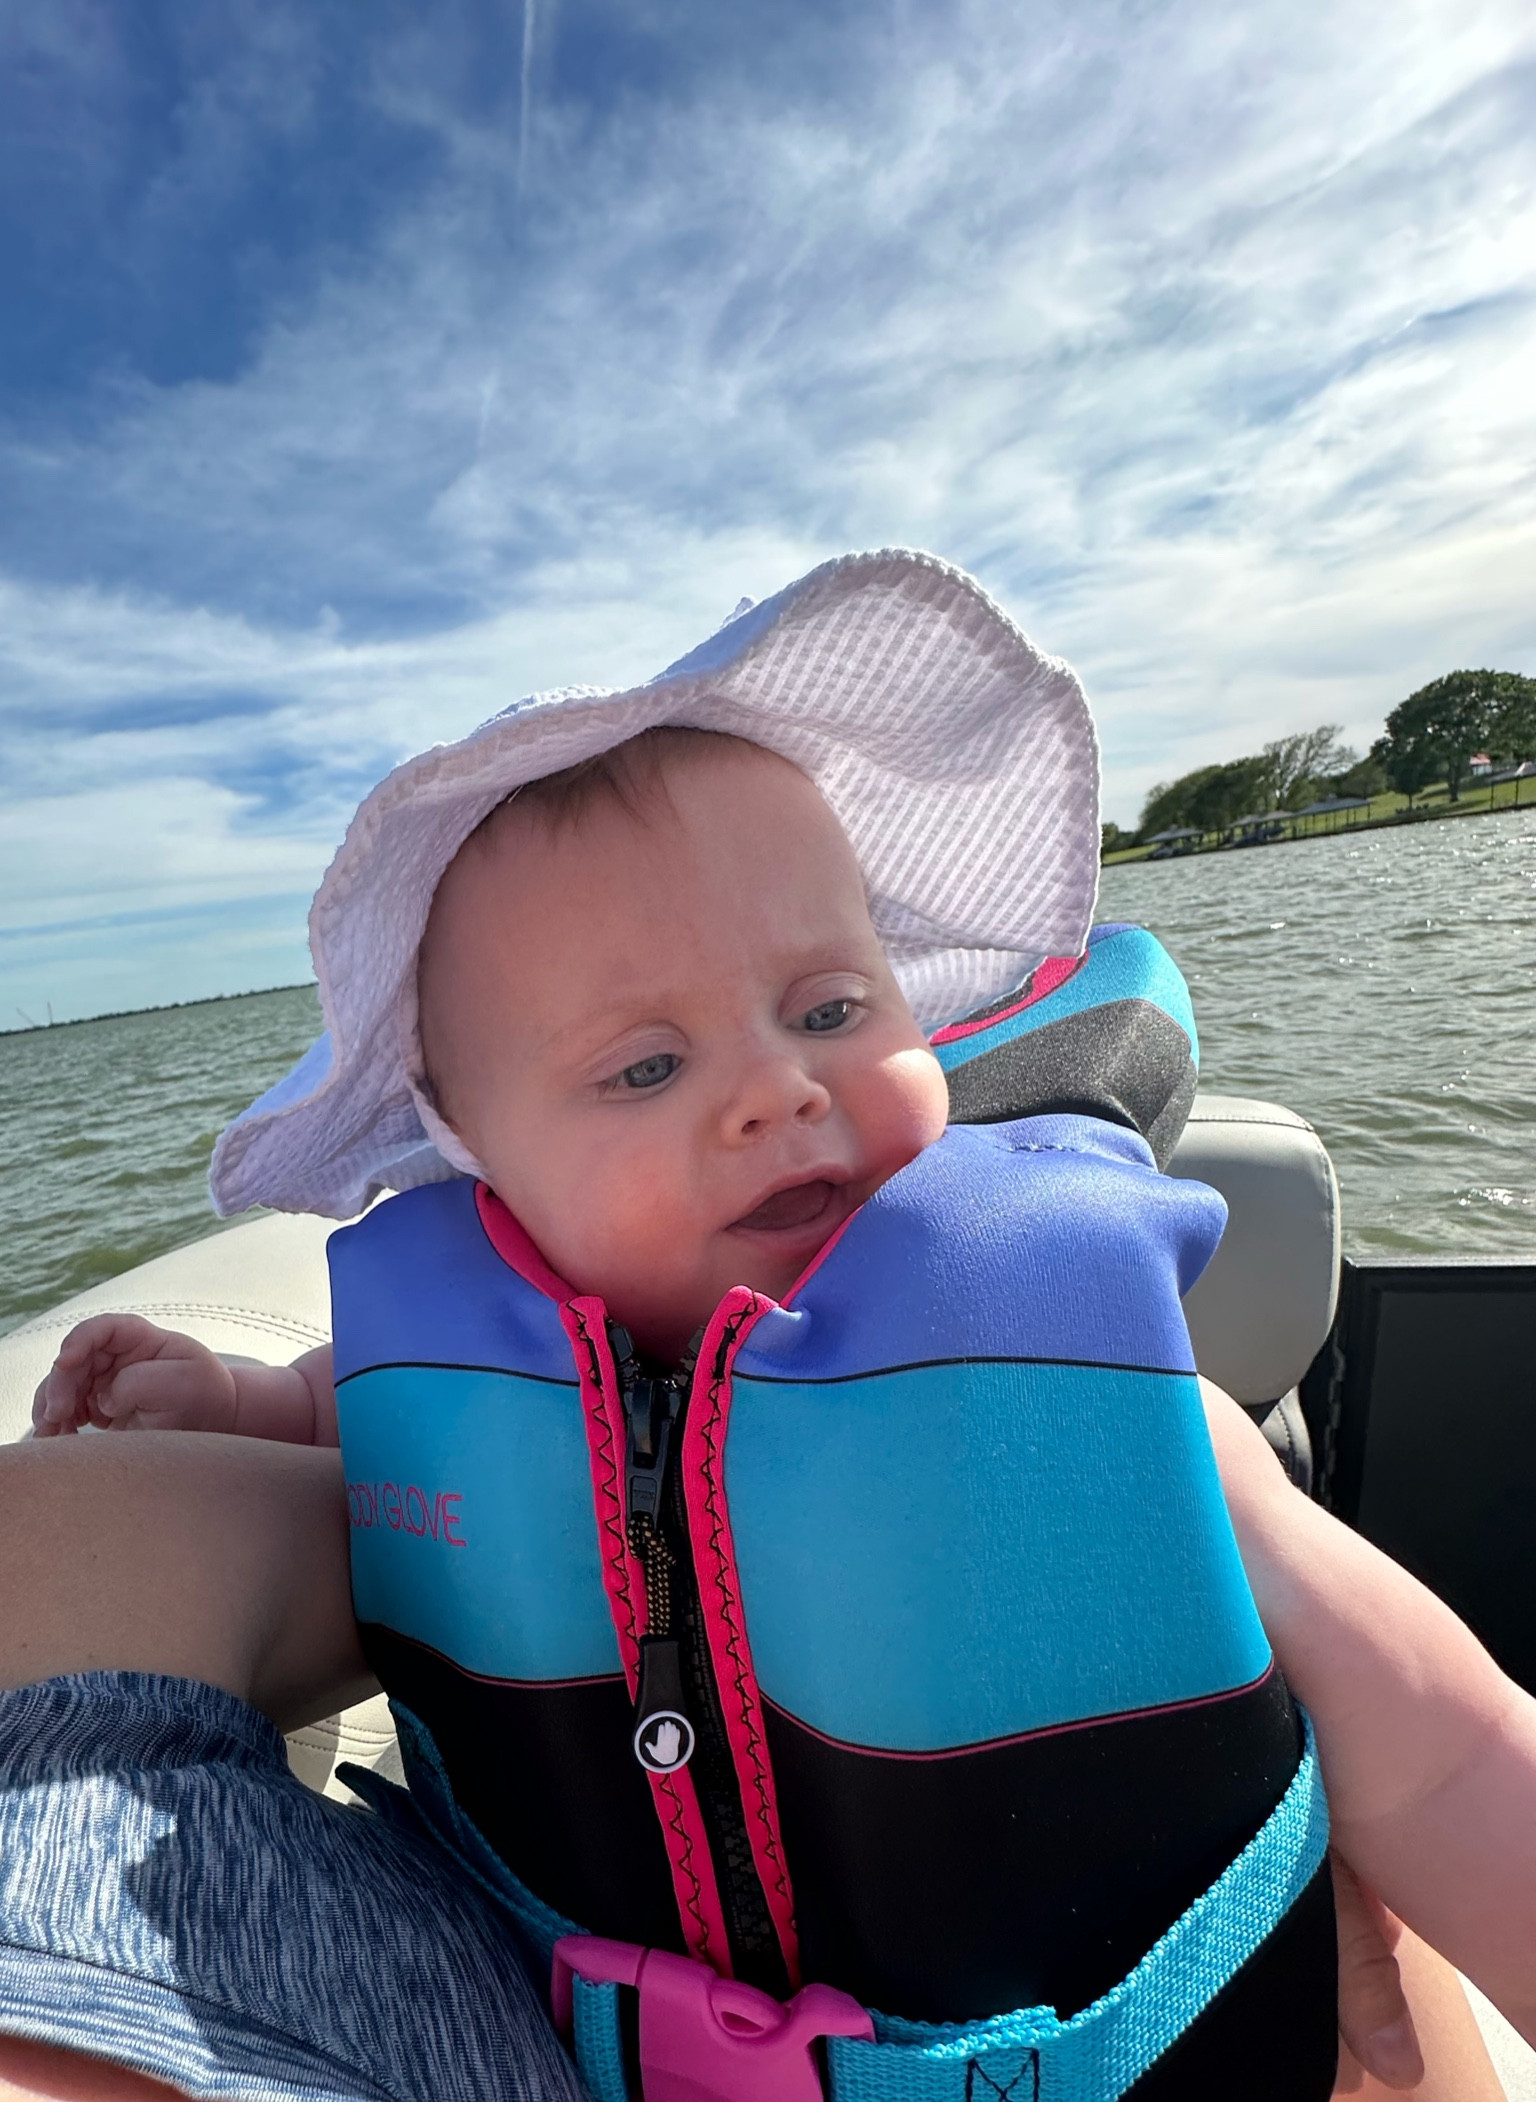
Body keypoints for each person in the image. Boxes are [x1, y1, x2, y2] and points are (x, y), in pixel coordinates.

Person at [10, 553, 1531, 2098]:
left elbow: (1458, 1749)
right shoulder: (452, 1388)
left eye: (828, 1009)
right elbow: (348, 1418)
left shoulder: (1096, 1418)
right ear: (480, 1158)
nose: (778, 1087)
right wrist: (230, 1393)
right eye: (645, 1068)